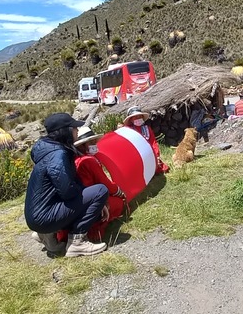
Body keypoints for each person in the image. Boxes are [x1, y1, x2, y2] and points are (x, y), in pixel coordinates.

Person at [24, 113, 108, 257]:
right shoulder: (58, 154)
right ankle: (77, 242)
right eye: (74, 128)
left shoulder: (47, 150)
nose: (77, 131)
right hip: (44, 217)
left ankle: (46, 236)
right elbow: (67, 191)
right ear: (66, 131)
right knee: (100, 191)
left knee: (86, 195)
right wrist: (95, 201)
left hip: (35, 216)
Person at [54, 126, 127, 243]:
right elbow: (105, 183)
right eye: (91, 142)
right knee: (118, 203)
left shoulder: (74, 159)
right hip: (92, 197)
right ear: (82, 145)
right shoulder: (88, 160)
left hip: (78, 198)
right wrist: (119, 192)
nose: (94, 144)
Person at [123, 106, 170, 175]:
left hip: (148, 154)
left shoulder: (147, 129)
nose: (138, 119)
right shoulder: (127, 130)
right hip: (135, 156)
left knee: (160, 167)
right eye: (135, 117)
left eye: (139, 117)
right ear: (131, 120)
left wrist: (156, 155)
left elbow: (153, 142)